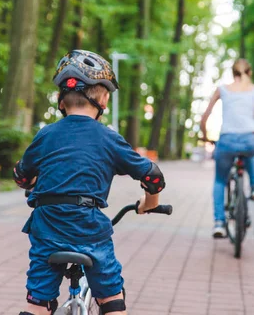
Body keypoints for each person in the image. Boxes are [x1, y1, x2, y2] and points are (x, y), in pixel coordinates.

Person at [13, 50, 166, 315]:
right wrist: (149, 203)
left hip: (47, 227)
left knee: (37, 301)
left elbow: (21, 176)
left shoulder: (46, 135)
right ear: (104, 99)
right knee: (111, 300)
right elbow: (153, 176)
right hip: (89, 230)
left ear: (61, 102)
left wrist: (34, 179)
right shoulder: (108, 138)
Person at [200, 58, 254, 238]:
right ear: (250, 72)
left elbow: (204, 117)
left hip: (227, 140)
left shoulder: (222, 89)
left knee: (220, 181)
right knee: (250, 152)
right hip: (251, 138)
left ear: (233, 73)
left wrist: (205, 136)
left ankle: (219, 223)